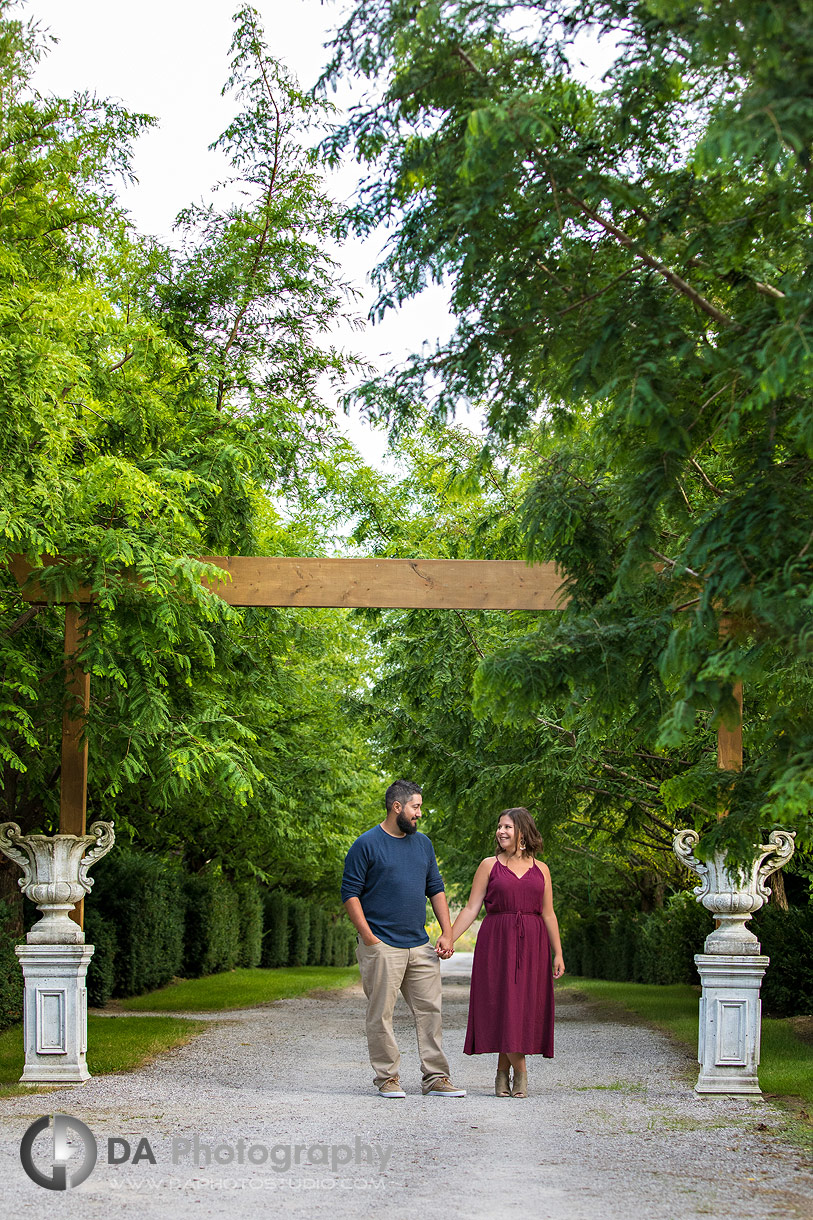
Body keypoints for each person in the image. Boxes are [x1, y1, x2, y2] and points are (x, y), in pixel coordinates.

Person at [341, 779, 466, 1099]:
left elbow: (436, 889)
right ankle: (387, 1077)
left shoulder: (423, 844)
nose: (419, 814)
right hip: (382, 944)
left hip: (419, 944)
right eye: (416, 807)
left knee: (431, 1012)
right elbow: (350, 895)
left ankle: (436, 1077)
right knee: (380, 1014)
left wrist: (447, 933)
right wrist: (369, 938)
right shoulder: (366, 844)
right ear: (397, 807)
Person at [442, 807, 565, 1098]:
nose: (501, 832)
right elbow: (472, 908)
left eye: (508, 827)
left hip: (533, 944)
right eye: (499, 827)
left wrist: (558, 953)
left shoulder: (542, 869)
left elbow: (548, 914)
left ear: (522, 831)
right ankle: (520, 1072)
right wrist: (449, 937)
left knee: (522, 1008)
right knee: (503, 1005)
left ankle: (501, 1074)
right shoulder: (489, 865)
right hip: (497, 942)